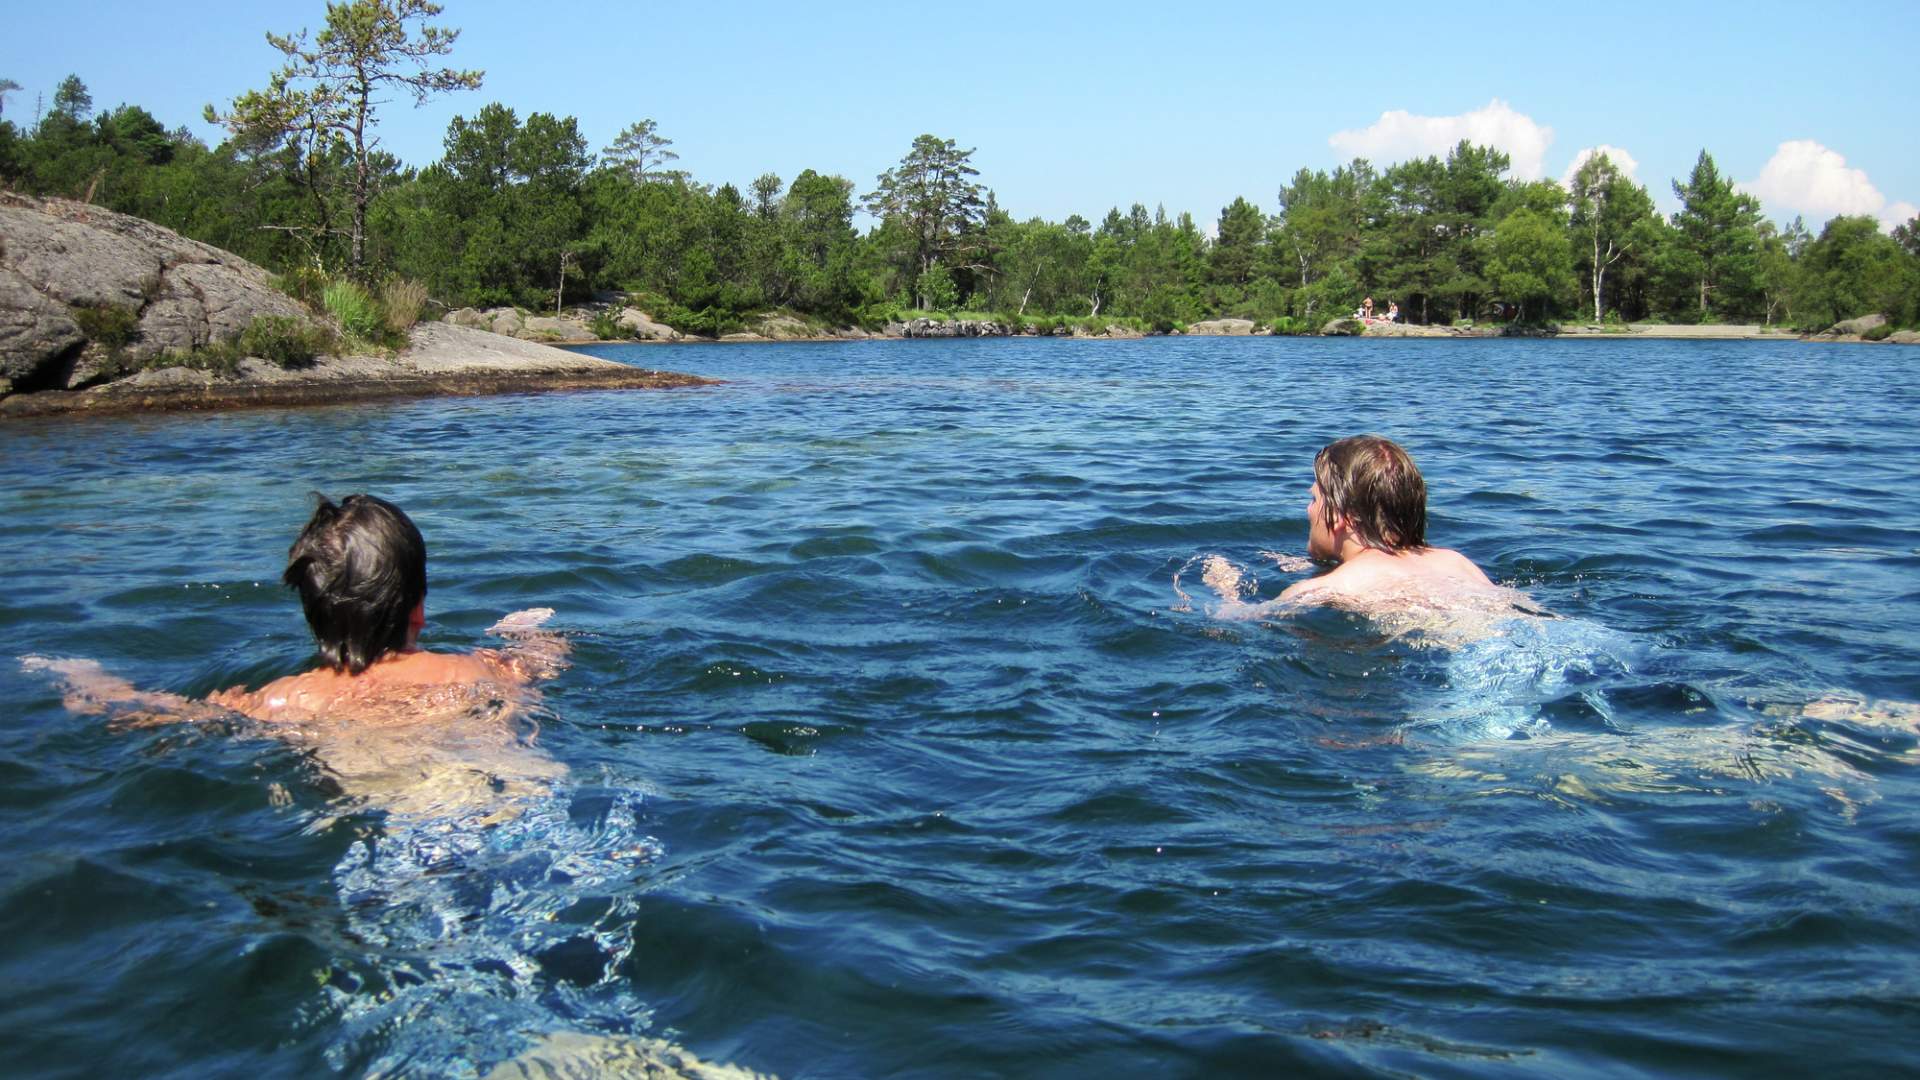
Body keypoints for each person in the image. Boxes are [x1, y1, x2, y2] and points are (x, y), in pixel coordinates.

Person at [24, 494, 569, 814]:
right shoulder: (474, 668)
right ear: (418, 609)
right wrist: (522, 632)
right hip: (514, 800)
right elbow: (547, 660)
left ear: (312, 611)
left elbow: (154, 714)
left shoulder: (286, 699)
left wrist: (85, 681)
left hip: (396, 818)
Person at [1279, 435, 1494, 606]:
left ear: (1337, 516)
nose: (1309, 509)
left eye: (1314, 499)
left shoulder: (1331, 587)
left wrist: (1242, 590)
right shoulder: (1455, 562)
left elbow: (1250, 621)